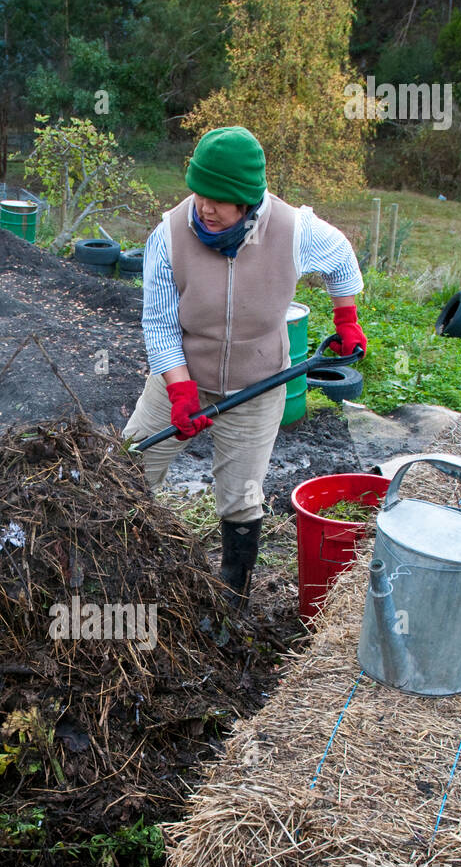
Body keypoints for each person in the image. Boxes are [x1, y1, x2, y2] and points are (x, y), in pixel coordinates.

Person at [124, 125, 367, 607]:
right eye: (199, 193)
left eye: (219, 199)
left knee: (240, 495)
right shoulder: (168, 235)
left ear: (248, 202)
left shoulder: (294, 230)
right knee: (130, 467)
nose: (205, 207)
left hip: (258, 384)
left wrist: (347, 317)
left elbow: (340, 257)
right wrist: (178, 390)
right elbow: (159, 324)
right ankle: (120, 571)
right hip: (183, 375)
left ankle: (231, 597)